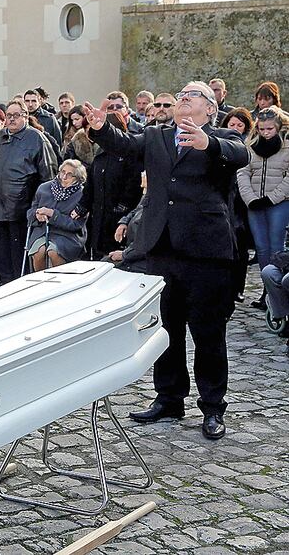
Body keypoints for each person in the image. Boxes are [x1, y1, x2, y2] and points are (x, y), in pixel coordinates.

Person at [85, 81, 250, 440]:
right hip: (161, 248)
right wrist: (100, 129)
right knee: (166, 329)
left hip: (206, 251)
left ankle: (212, 407)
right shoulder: (158, 135)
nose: (182, 99)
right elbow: (125, 146)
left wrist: (209, 144)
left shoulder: (222, 135)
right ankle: (169, 398)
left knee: (208, 334)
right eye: (181, 95)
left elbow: (240, 155)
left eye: (191, 95)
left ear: (209, 107)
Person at [0, 100, 54, 285]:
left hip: (21, 205)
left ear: (25, 116)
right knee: (0, 247)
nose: (12, 119)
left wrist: (40, 204)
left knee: (17, 247)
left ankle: (18, 281)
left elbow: (48, 172)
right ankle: (5, 281)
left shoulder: (36, 138)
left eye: (16, 115)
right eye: (9, 116)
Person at [236, 107, 289, 309]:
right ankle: (266, 292)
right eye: (262, 129)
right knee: (261, 247)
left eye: (269, 129)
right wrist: (250, 198)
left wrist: (271, 198)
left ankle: (275, 291)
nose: (266, 133)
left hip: (280, 202)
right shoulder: (251, 145)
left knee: (277, 246)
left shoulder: (286, 145)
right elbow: (243, 172)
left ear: (278, 127)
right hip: (255, 202)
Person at [79, 110, 142, 259]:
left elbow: (133, 184)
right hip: (99, 214)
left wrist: (122, 208)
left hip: (119, 216)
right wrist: (83, 205)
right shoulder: (100, 154)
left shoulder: (130, 154)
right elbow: (91, 183)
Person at [26, 160, 88, 272]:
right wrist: (37, 215)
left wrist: (53, 215)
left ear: (78, 178)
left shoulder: (82, 195)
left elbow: (76, 225)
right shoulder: (44, 188)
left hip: (68, 235)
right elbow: (30, 212)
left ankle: (61, 282)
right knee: (38, 251)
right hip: (42, 230)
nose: (64, 177)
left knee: (54, 252)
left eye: (69, 175)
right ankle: (41, 281)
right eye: (62, 172)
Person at [220, 109, 254, 302]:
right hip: (224, 198)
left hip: (241, 201)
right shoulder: (217, 144)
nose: (234, 129)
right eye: (231, 125)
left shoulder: (246, 148)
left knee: (240, 248)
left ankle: (238, 288)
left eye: (239, 126)